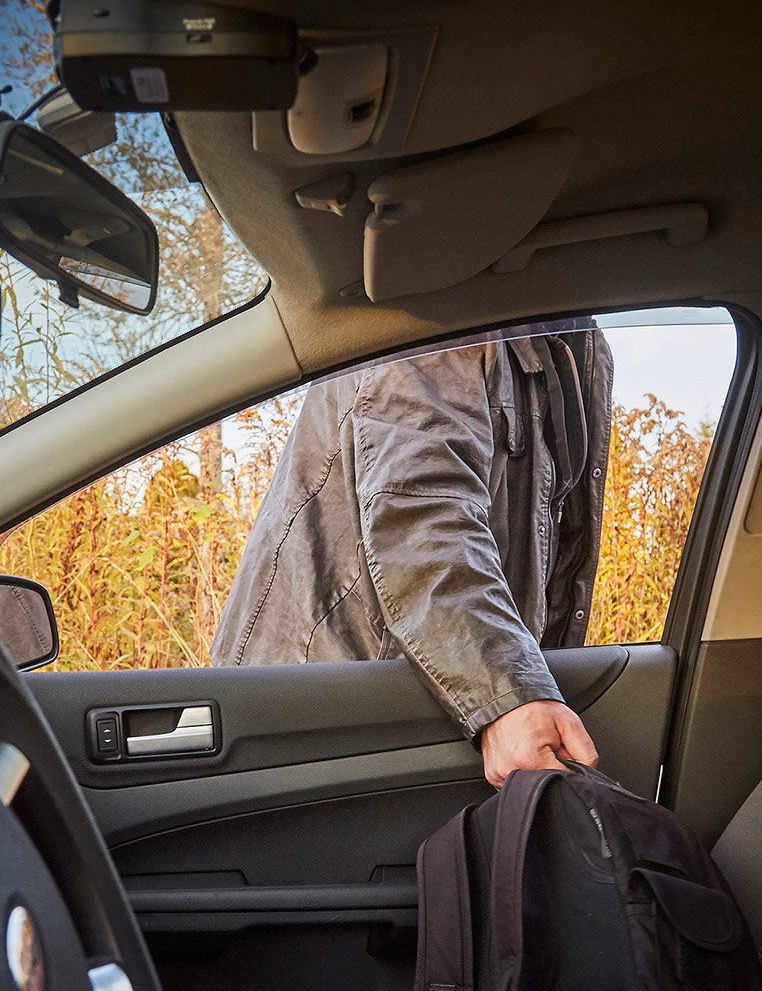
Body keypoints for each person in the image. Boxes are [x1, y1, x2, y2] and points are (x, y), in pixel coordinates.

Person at [211, 320, 614, 786]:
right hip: (322, 708)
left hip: (433, 688)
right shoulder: (438, 316)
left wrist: (538, 688)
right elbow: (424, 513)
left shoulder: (571, 339)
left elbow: (558, 558)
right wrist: (509, 694)